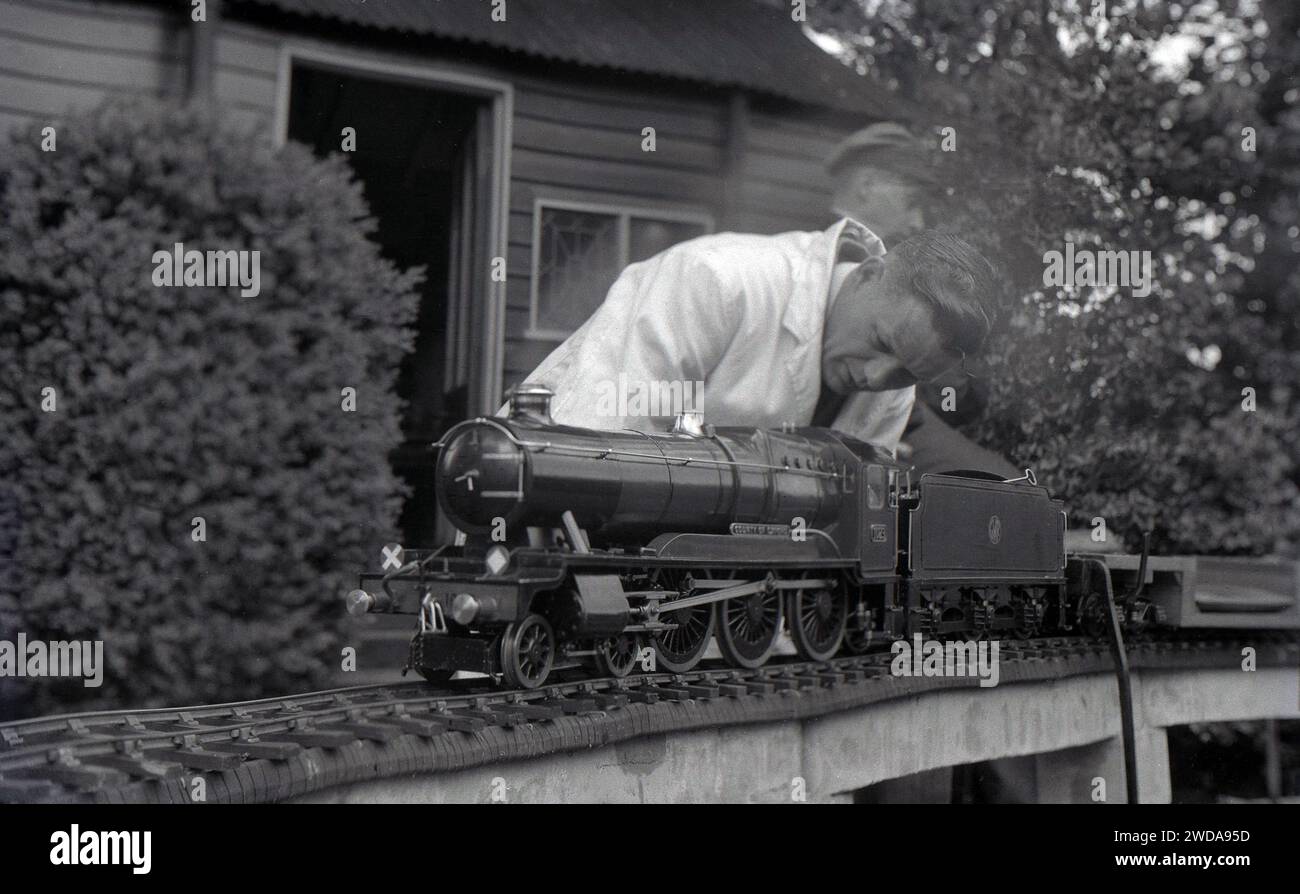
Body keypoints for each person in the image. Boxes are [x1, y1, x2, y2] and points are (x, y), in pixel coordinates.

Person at [516, 219, 999, 458]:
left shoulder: (895, 392)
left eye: (907, 375)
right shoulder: (716, 281)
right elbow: (598, 444)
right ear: (869, 273)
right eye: (883, 343)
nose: (876, 378)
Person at [826, 122, 1020, 478]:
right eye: (910, 201)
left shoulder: (906, 262)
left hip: (899, 411)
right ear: (867, 185)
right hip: (836, 422)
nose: (917, 221)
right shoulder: (801, 257)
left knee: (999, 483)